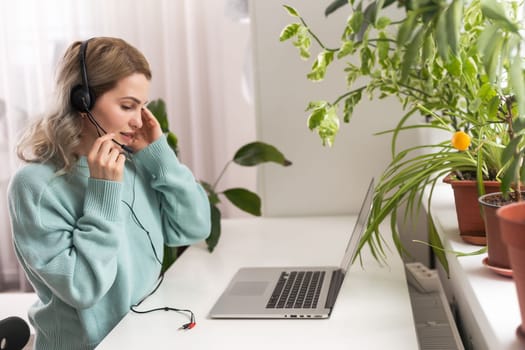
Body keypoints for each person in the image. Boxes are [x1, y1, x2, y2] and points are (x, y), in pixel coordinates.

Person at [7, 37, 211, 350]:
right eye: (127, 106)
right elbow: (82, 289)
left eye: (142, 106)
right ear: (83, 101)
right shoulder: (35, 185)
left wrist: (160, 157)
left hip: (145, 334)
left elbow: (193, 228)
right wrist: (103, 192)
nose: (139, 119)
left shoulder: (133, 162)